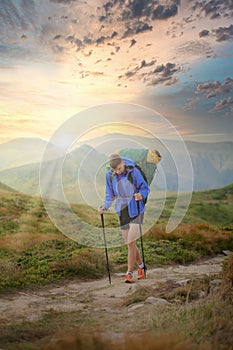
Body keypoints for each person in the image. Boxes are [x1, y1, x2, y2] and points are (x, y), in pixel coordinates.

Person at [98, 154, 150, 283]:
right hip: (122, 210)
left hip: (136, 208)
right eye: (115, 170)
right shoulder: (109, 176)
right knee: (129, 244)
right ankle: (142, 266)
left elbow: (145, 188)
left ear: (123, 163)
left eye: (119, 169)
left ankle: (129, 273)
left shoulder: (134, 172)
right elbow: (109, 194)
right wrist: (104, 207)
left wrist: (141, 195)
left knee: (130, 242)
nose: (117, 171)